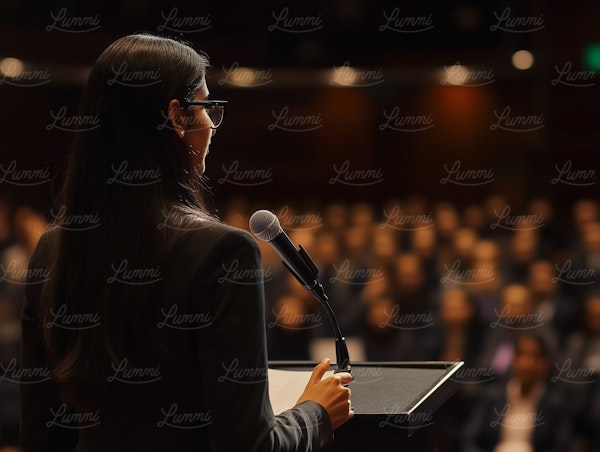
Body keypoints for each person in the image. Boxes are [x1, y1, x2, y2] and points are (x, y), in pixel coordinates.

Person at [20, 33, 353, 451]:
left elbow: (41, 435)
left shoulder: (53, 251)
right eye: (206, 107)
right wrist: (315, 412)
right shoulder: (222, 252)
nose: (213, 124)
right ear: (176, 117)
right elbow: (248, 445)